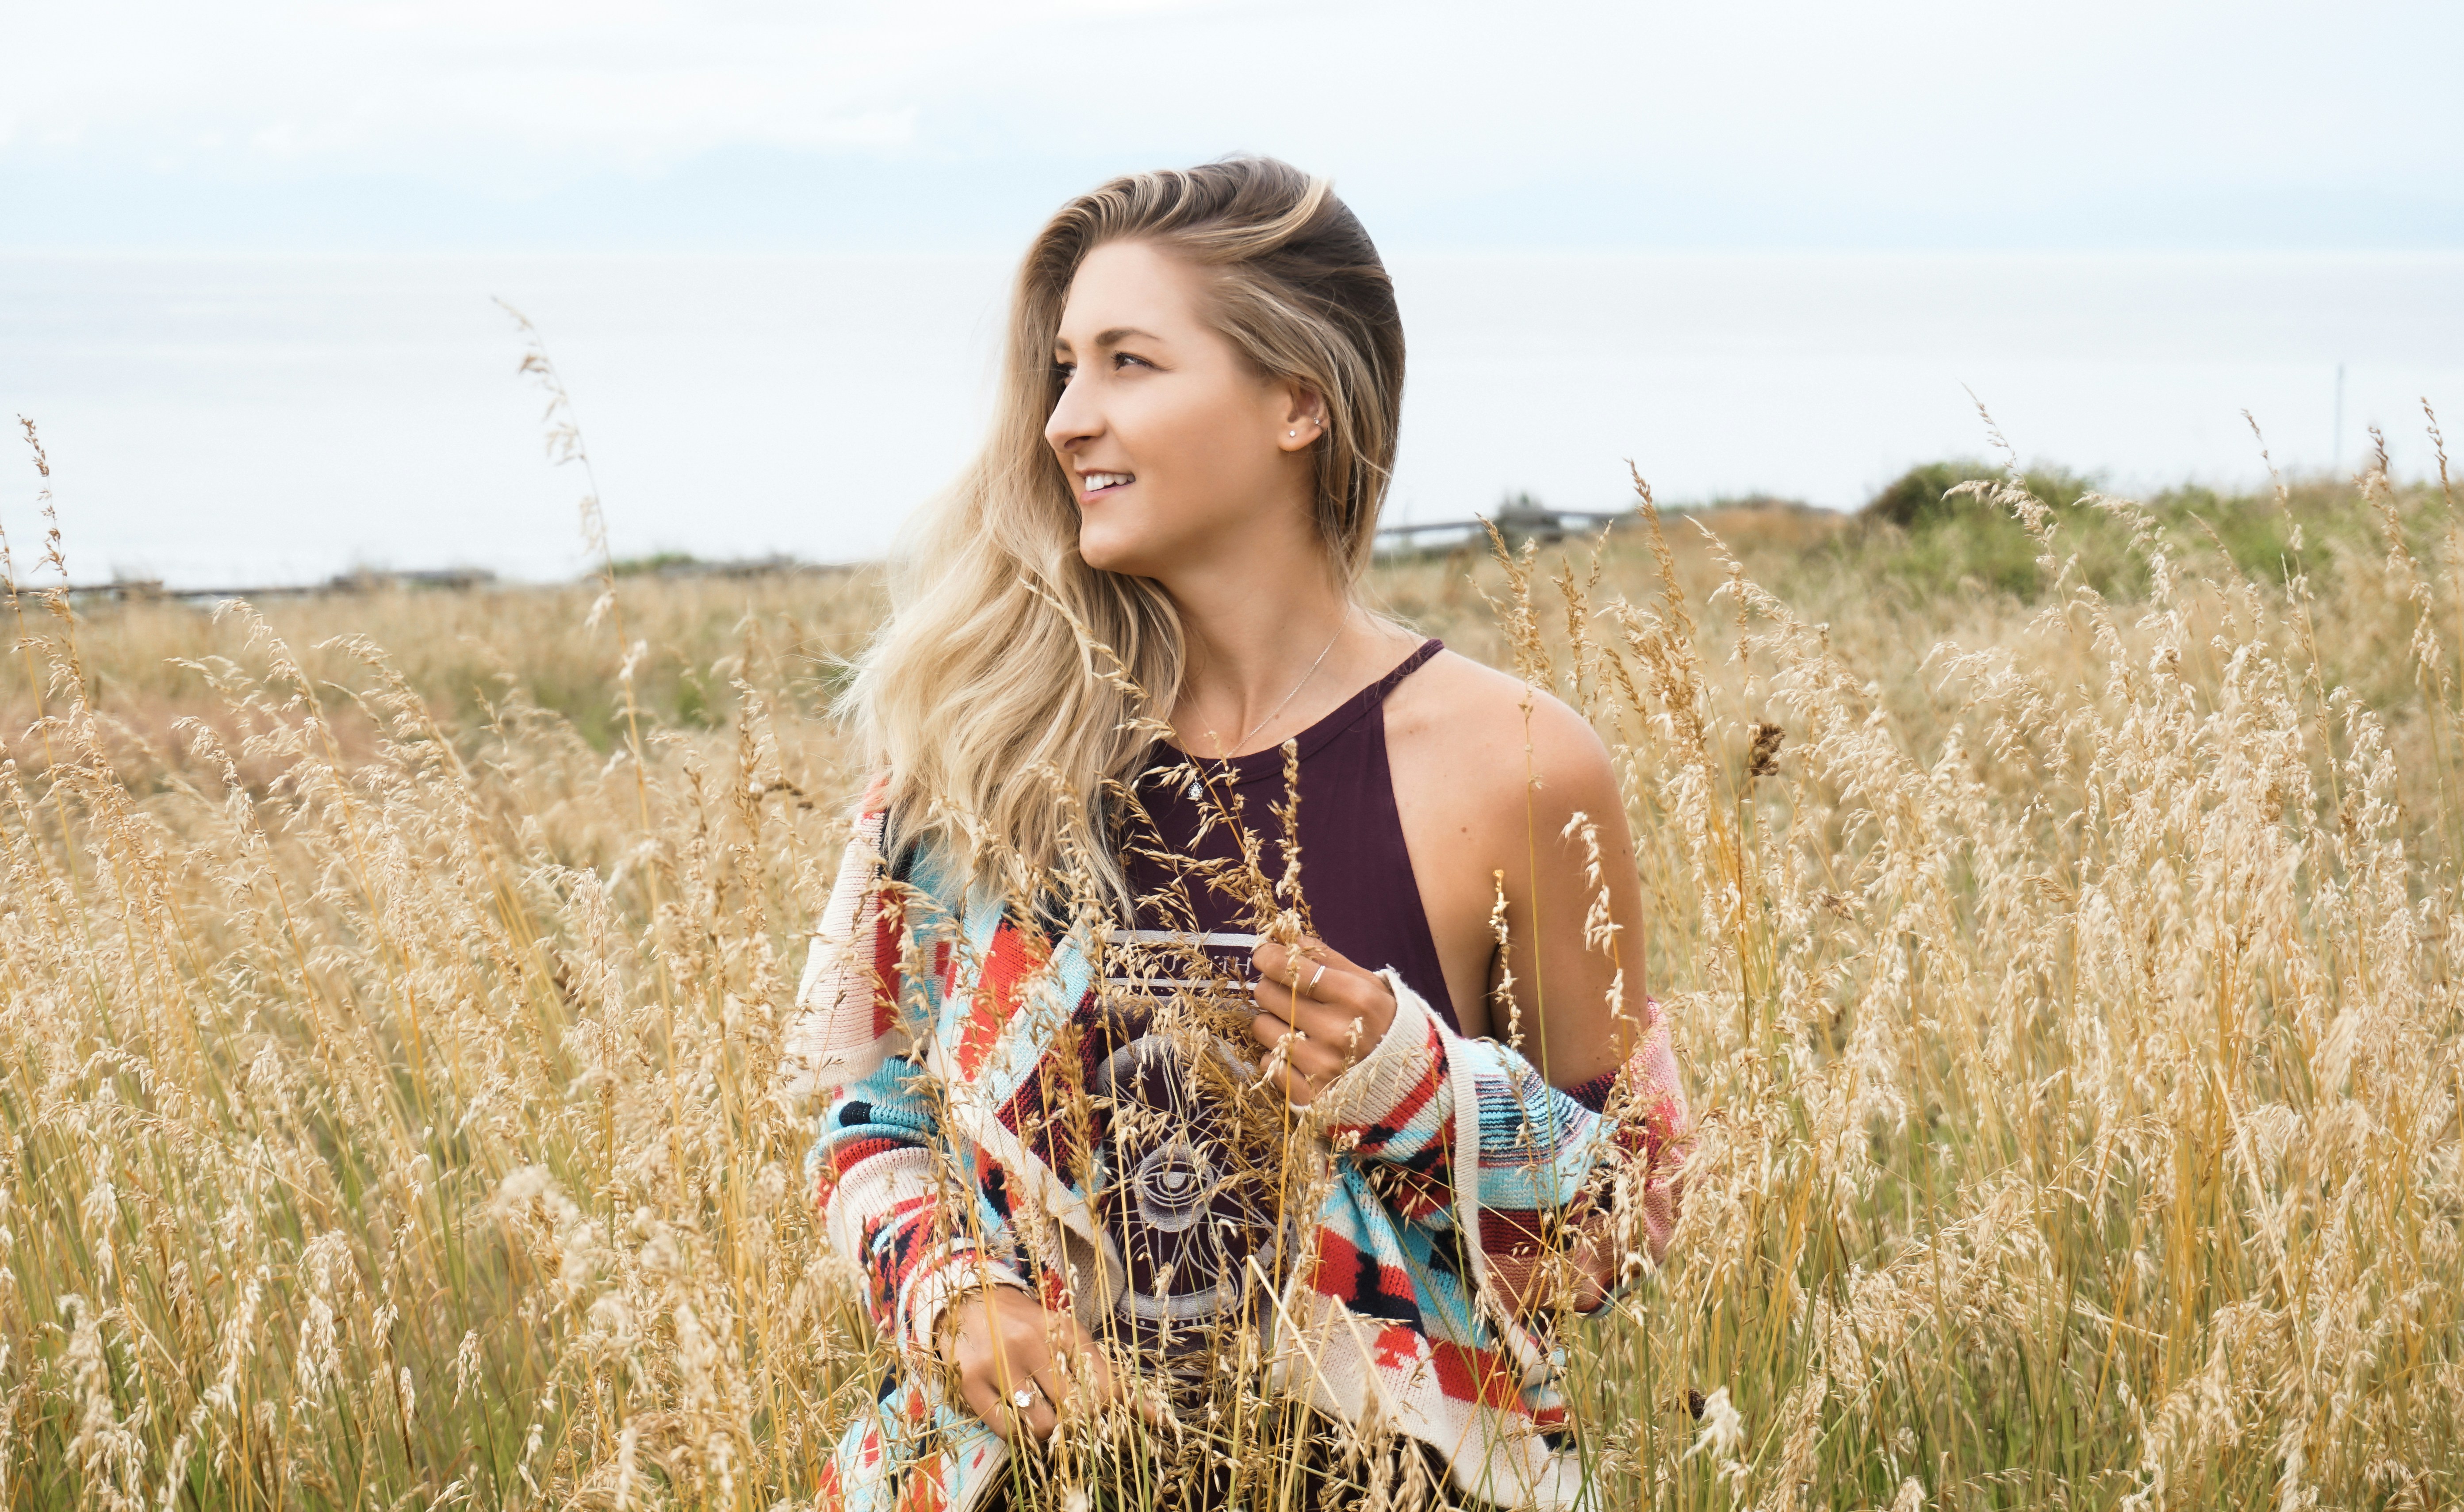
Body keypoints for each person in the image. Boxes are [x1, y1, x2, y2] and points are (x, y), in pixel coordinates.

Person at [784, 157, 1688, 1512]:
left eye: (1129, 363)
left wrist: (1422, 1087)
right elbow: (867, 1115)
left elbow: (1631, 1206)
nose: (1066, 420)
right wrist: (955, 1294)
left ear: (1298, 400)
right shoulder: (972, 749)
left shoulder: (1514, 760)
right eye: (1064, 369)